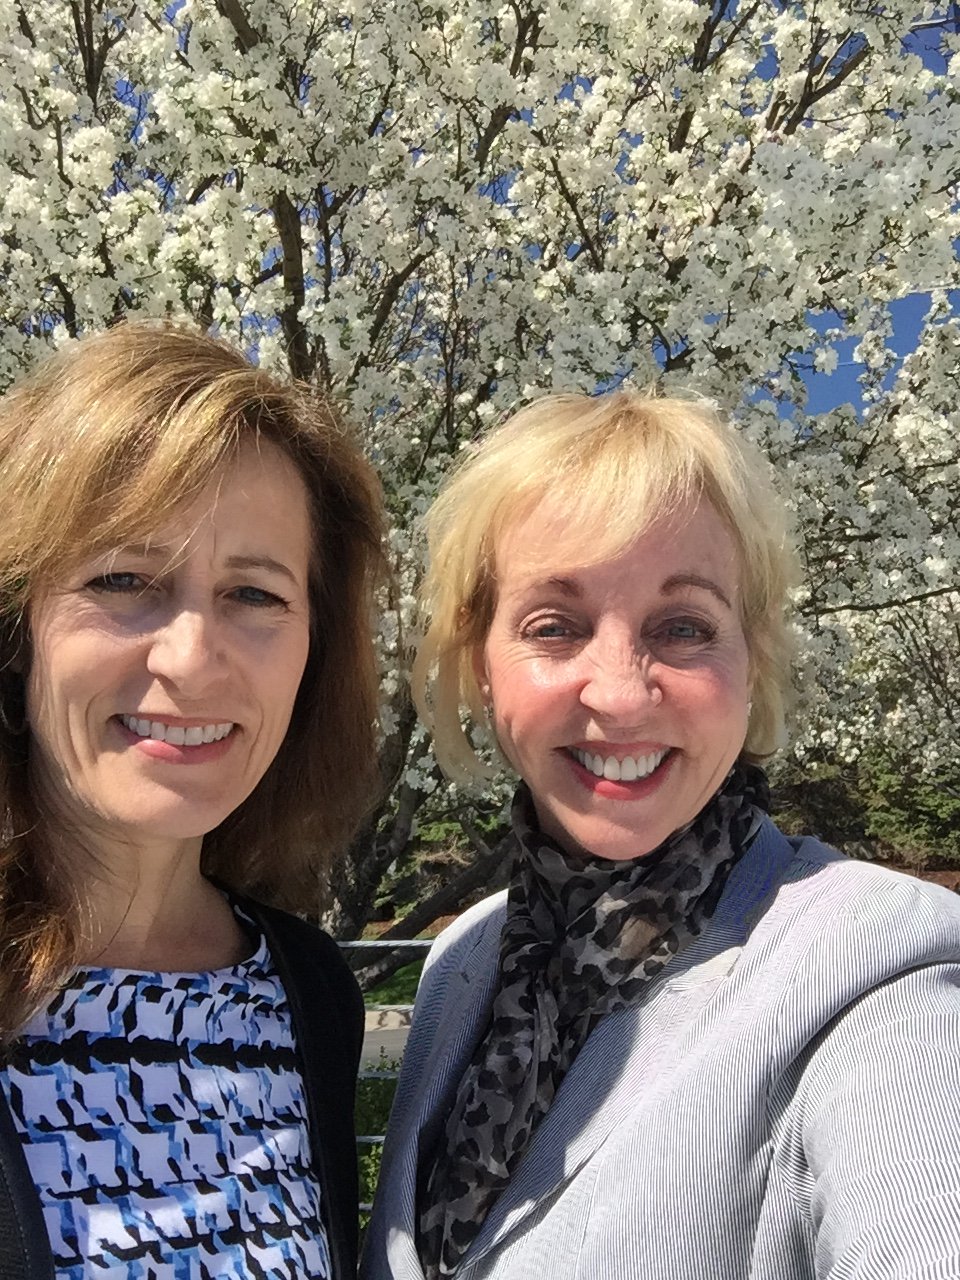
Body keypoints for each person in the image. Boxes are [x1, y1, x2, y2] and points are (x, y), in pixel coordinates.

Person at [362, 392, 960, 1280]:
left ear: (750, 663)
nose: (620, 692)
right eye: (553, 627)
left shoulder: (876, 968)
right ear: (480, 664)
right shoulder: (468, 961)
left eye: (682, 628)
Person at [0, 321, 385, 1279]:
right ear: (18, 628)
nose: (191, 658)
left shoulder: (308, 995)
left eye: (254, 594)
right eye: (123, 579)